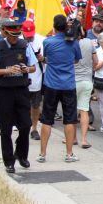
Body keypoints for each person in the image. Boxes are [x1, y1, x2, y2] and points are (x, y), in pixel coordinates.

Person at [0, 19, 38, 173]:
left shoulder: (24, 45)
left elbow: (34, 67)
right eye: (12, 36)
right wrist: (6, 71)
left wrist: (25, 69)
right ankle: (9, 161)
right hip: (4, 91)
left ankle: (21, 154)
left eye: (17, 35)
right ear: (3, 32)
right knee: (6, 127)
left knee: (26, 124)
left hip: (21, 89)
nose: (15, 39)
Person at [38, 15, 80, 163]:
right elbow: (76, 59)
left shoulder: (47, 42)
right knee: (69, 119)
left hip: (51, 84)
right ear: (66, 27)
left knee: (47, 120)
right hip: (68, 84)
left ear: (54, 26)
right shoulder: (73, 43)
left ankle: (42, 154)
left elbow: (47, 58)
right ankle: (69, 154)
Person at [22, 20, 45, 141]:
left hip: (37, 77)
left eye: (31, 35)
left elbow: (48, 60)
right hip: (21, 79)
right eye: (27, 35)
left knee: (35, 105)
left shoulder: (42, 40)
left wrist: (43, 58)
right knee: (22, 105)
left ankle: (34, 128)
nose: (29, 37)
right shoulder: (18, 41)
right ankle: (23, 126)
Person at [74, 26, 95, 149]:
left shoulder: (70, 43)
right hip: (87, 80)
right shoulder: (89, 42)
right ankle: (84, 140)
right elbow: (95, 60)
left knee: (71, 110)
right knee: (84, 110)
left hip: (72, 81)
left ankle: (72, 138)